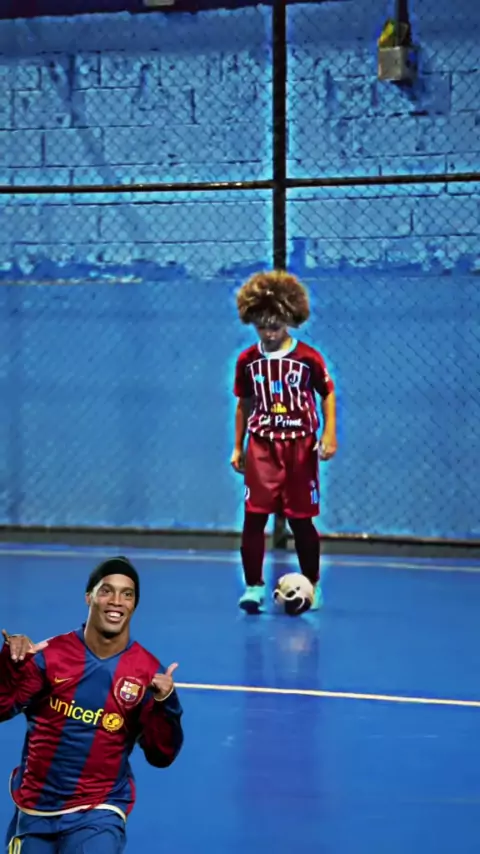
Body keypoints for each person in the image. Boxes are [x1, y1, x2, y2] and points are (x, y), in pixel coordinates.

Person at [0, 555, 183, 854]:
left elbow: (161, 755)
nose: (116, 601)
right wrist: (11, 664)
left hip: (98, 810)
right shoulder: (49, 656)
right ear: (89, 597)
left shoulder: (148, 673)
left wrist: (166, 703)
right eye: (106, 591)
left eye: (127, 594)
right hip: (35, 809)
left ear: (135, 604)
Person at [231, 270, 337, 613]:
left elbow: (327, 393)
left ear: (290, 319)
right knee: (254, 517)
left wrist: (329, 434)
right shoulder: (248, 361)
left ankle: (313, 584)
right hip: (262, 446)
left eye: (275, 326)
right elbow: (244, 404)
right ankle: (253, 586)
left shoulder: (307, 359)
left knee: (301, 520)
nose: (269, 333)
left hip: (299, 448)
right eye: (262, 326)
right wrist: (238, 446)